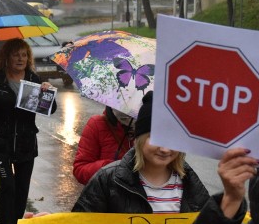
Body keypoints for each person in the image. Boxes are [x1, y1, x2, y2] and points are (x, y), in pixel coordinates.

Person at [0, 38, 57, 224]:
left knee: (21, 188)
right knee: (8, 185)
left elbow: (50, 109)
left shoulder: (34, 79)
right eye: (16, 55)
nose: (21, 59)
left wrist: (47, 92)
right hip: (0, 143)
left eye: (24, 55)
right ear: (7, 57)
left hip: (25, 142)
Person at [72, 91, 209, 213]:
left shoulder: (190, 183)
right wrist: (112, 167)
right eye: (156, 138)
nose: (165, 149)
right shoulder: (106, 179)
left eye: (172, 139)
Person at [72, 106, 134, 185]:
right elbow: (80, 170)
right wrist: (109, 167)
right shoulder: (97, 124)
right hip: (106, 194)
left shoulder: (148, 130)